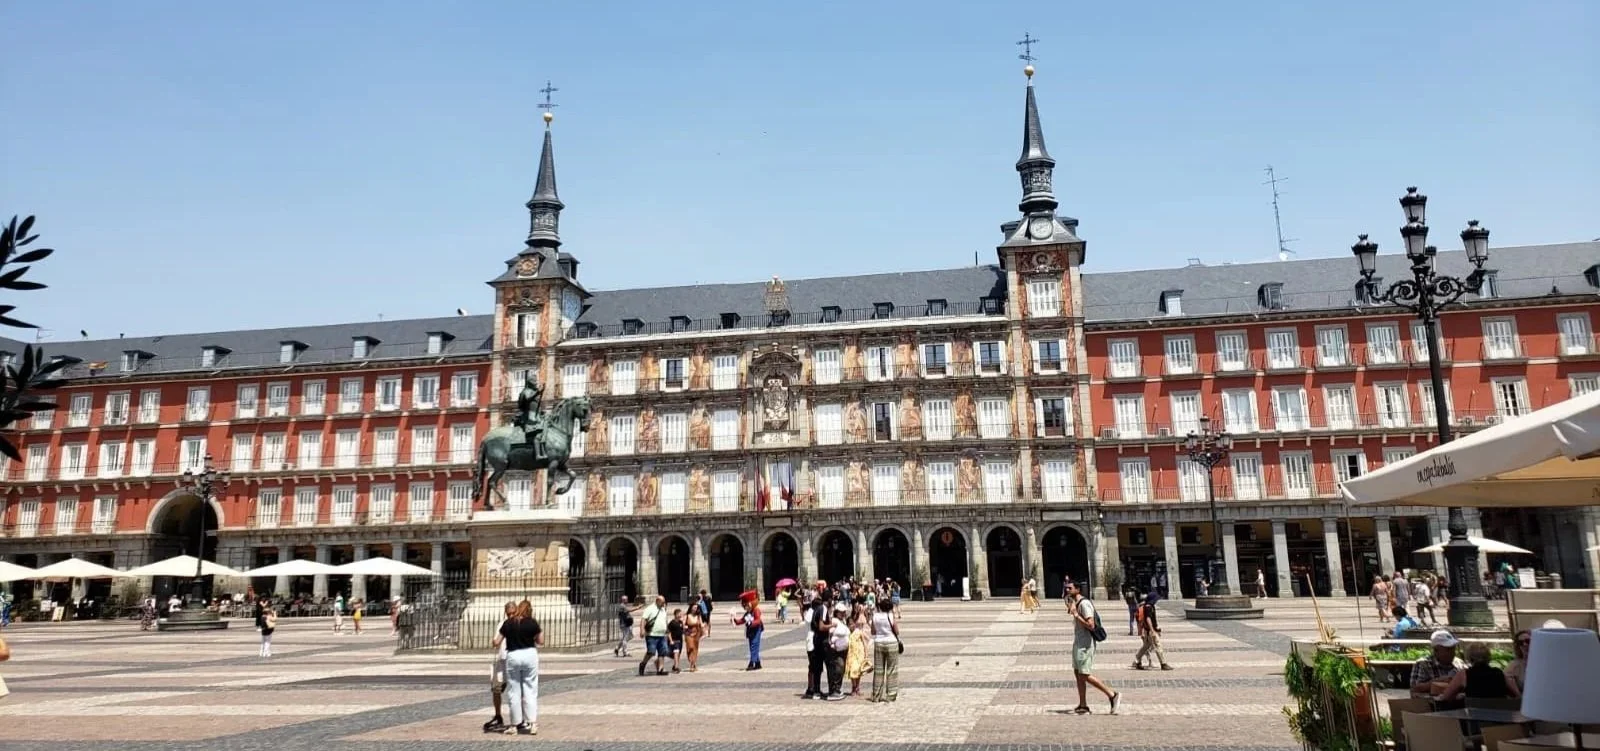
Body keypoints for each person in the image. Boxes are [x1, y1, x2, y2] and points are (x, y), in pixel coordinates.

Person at [1065, 580, 1119, 715]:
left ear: (1078, 589)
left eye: (1070, 588)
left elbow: (1091, 625)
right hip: (1078, 642)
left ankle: (1112, 694)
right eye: (1066, 588)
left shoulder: (1084, 604)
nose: (1067, 590)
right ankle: (1083, 705)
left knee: (1084, 674)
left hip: (1085, 644)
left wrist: (1076, 615)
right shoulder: (1076, 603)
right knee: (1078, 674)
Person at [493, 599, 542, 736]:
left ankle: (514, 725)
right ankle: (532, 723)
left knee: (514, 691)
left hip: (513, 655)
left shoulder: (508, 623)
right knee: (530, 689)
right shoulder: (532, 622)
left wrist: (494, 642)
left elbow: (497, 642)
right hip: (530, 654)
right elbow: (541, 641)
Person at [1438, 642, 1519, 701]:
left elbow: (1446, 696)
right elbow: (1517, 695)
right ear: (1489, 657)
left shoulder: (1464, 674)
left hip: (1475, 720)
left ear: (1469, 658)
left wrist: (1461, 696)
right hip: (1501, 720)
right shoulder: (1499, 673)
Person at [483, 601, 516, 733]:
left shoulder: (519, 623)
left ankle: (518, 719)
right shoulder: (502, 624)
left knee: (516, 691)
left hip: (513, 661)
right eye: (509, 613)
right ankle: (498, 715)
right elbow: (496, 641)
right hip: (501, 661)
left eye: (513, 613)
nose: (511, 615)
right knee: (496, 689)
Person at [1409, 630, 1466, 698]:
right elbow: (1414, 689)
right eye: (1448, 650)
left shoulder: (1459, 663)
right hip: (1431, 704)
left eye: (1453, 649)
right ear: (1436, 650)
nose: (1452, 653)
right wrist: (1439, 681)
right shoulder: (1423, 664)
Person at [869, 597, 900, 702]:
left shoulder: (875, 616)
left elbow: (872, 632)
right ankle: (891, 695)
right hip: (891, 643)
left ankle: (876, 695)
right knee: (891, 670)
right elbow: (897, 631)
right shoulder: (891, 616)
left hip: (879, 643)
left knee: (878, 670)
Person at [1132, 591, 1172, 671]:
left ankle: (1137, 661)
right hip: (1150, 630)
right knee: (1158, 645)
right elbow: (1148, 618)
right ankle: (1163, 663)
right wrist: (1152, 630)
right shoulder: (1149, 607)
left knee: (1146, 646)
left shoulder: (1147, 606)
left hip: (1147, 630)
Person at [803, 588, 830, 700]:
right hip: (813, 641)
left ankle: (811, 688)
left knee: (812, 667)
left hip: (809, 640)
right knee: (815, 667)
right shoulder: (813, 613)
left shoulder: (808, 613)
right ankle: (814, 689)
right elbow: (819, 626)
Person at [638, 595, 670, 676]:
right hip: (651, 634)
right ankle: (643, 664)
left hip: (662, 635)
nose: (664, 604)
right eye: (662, 602)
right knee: (651, 652)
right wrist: (642, 630)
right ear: (657, 601)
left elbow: (665, 619)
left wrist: (666, 629)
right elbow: (643, 619)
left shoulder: (663, 609)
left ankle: (660, 669)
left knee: (662, 652)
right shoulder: (650, 609)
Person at [825, 602, 849, 700]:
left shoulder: (842, 621)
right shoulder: (834, 621)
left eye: (844, 612)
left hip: (842, 649)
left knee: (841, 669)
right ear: (836, 612)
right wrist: (831, 643)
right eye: (841, 612)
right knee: (838, 669)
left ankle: (837, 689)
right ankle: (834, 690)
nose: (843, 614)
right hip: (836, 650)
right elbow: (829, 633)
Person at [846, 611, 871, 696]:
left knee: (859, 671)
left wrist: (866, 653)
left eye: (852, 623)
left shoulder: (859, 632)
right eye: (849, 624)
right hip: (851, 655)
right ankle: (853, 687)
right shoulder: (847, 633)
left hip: (859, 654)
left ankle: (857, 687)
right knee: (853, 670)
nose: (851, 625)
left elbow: (865, 643)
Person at [738, 593, 764, 671]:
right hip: (750, 631)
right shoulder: (748, 612)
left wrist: (751, 623)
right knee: (752, 646)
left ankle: (752, 662)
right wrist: (735, 621)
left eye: (745, 605)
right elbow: (742, 620)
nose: (745, 607)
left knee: (754, 646)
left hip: (756, 630)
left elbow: (758, 620)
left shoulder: (756, 610)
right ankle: (757, 663)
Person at [683, 601, 704, 672]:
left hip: (696, 634)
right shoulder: (687, 615)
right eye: (694, 607)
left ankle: (693, 664)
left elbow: (701, 624)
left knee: (695, 649)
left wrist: (704, 628)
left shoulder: (698, 616)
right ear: (691, 607)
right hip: (688, 633)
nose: (695, 609)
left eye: (696, 607)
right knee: (690, 648)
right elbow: (683, 624)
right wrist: (684, 626)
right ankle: (692, 662)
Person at [667, 609, 685, 674]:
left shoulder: (680, 622)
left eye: (681, 614)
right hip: (674, 640)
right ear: (676, 614)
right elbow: (668, 632)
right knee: (676, 653)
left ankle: (675, 666)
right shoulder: (672, 623)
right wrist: (671, 640)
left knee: (678, 654)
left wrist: (683, 624)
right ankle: (676, 667)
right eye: (679, 614)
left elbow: (683, 631)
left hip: (680, 640)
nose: (681, 615)